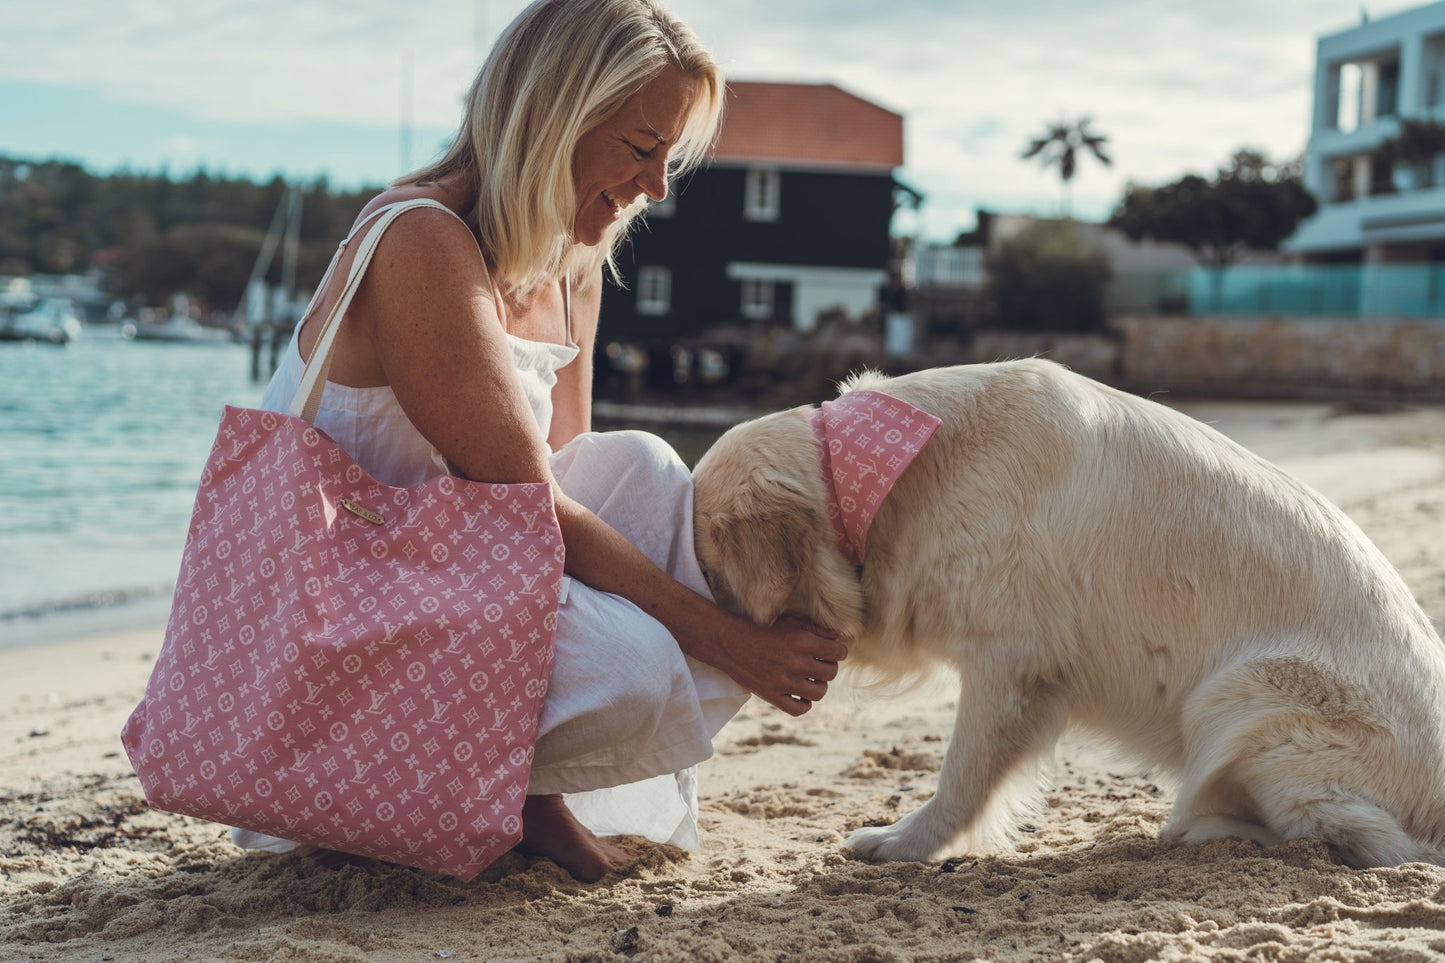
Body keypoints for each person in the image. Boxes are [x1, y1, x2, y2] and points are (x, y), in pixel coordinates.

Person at [237, 0, 846, 882]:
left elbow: (569, 487)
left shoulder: (570, 265)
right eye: (642, 150)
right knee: (640, 668)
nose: (657, 188)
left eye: (669, 159)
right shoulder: (418, 239)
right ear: (550, 114)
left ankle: (516, 799)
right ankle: (413, 794)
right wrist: (726, 640)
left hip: (447, 581)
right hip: (338, 621)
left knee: (640, 467)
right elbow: (529, 506)